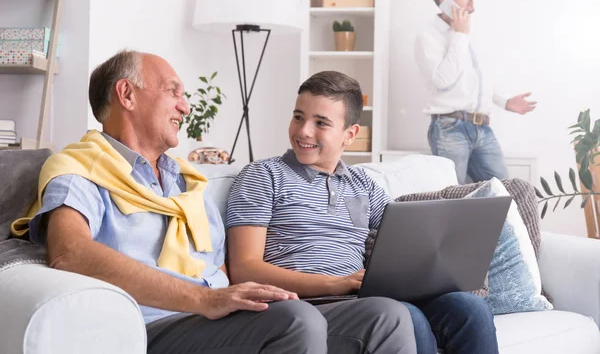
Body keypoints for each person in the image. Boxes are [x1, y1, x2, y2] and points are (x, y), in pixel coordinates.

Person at [11, 51, 416, 354]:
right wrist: (208, 299)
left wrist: (232, 293)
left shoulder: (186, 181)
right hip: (156, 321)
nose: (186, 106)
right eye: (174, 92)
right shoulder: (78, 168)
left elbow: (222, 266)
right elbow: (69, 252)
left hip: (215, 315)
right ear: (127, 94)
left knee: (386, 316)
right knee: (295, 321)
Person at [226, 70, 500, 354]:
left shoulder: (364, 186)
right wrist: (336, 284)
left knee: (470, 308)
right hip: (303, 307)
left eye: (321, 123)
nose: (304, 131)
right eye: (298, 117)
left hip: (360, 298)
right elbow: (244, 268)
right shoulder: (263, 175)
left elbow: (411, 239)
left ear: (350, 135)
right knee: (407, 316)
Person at [414, 0, 536, 184]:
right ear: (445, 2)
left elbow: (479, 79)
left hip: (483, 128)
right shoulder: (429, 36)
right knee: (451, 197)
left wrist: (505, 101)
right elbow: (443, 80)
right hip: (450, 128)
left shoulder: (472, 32)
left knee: (502, 193)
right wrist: (459, 34)